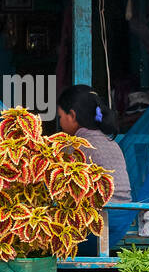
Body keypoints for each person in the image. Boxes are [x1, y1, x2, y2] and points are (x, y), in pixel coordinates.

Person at [57, 85, 135, 254]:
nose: (60, 122)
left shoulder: (76, 146)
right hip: (121, 221)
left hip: (96, 224)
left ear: (72, 116)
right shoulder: (112, 143)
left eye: (60, 116)